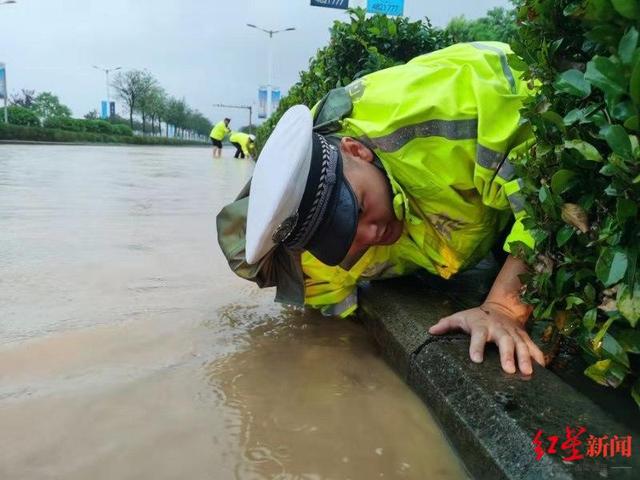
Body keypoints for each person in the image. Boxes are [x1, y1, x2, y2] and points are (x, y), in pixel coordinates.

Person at [217, 42, 546, 376]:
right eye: (342, 239)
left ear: (356, 150)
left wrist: (503, 308)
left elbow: (549, 193)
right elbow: (322, 317)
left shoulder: (445, 110)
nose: (372, 234)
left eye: (356, 209)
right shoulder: (316, 259)